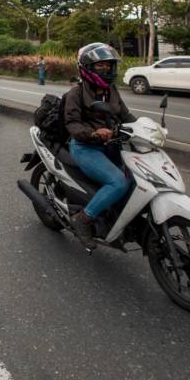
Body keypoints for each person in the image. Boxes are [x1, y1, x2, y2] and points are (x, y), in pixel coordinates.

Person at [65, 42, 135, 250]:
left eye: (108, 65)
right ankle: (83, 219)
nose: (106, 69)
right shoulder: (76, 93)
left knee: (138, 179)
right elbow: (72, 124)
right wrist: (94, 133)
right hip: (86, 147)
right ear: (87, 68)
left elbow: (126, 116)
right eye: (100, 66)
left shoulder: (112, 91)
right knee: (118, 183)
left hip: (112, 145)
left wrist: (146, 128)